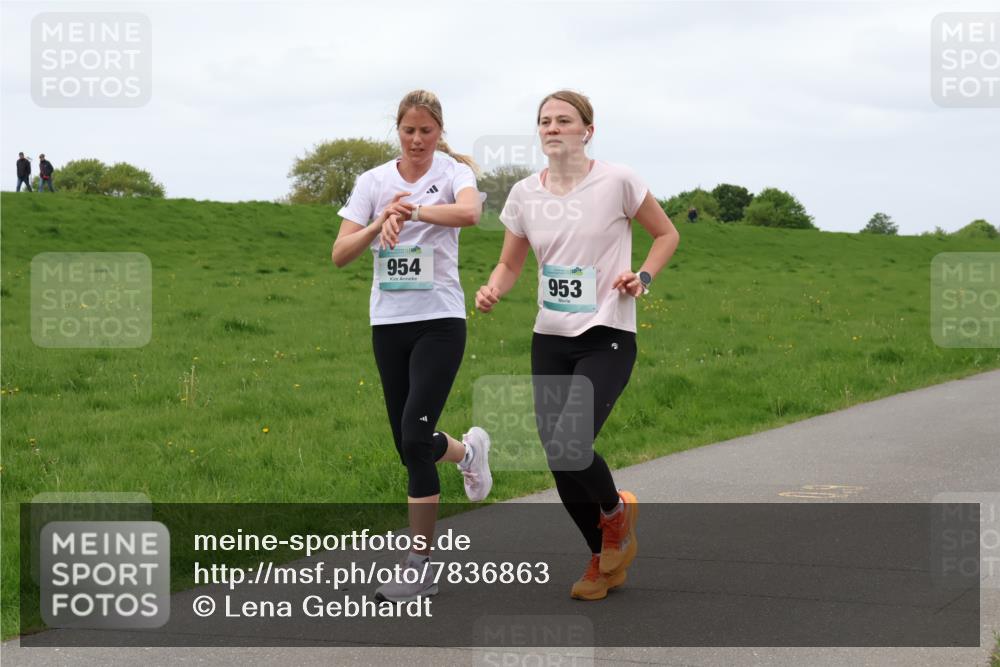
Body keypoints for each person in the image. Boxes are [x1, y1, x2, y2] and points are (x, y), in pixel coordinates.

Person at [475, 90, 679, 601]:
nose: (552, 128)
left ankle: (614, 513)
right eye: (544, 121)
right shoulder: (524, 193)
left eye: (564, 120)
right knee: (558, 456)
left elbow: (666, 234)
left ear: (588, 130)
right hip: (550, 338)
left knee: (572, 443)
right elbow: (511, 262)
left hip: (607, 332)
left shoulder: (619, 181)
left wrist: (644, 277)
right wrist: (494, 287)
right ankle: (602, 559)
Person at [331, 89, 492, 603]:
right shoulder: (373, 182)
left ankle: (419, 565)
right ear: (397, 132)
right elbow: (340, 253)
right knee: (408, 444)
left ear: (439, 131)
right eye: (409, 130)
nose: (418, 139)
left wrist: (417, 212)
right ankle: (468, 452)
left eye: (426, 130)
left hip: (440, 321)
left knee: (413, 432)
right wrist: (382, 220)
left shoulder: (452, 174)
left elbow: (469, 215)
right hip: (389, 323)